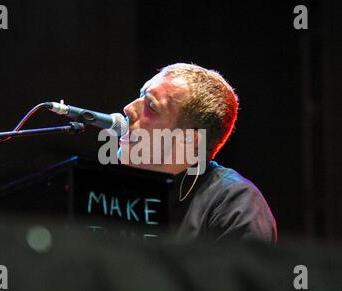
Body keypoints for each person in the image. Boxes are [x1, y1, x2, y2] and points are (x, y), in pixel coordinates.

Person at [118, 63, 277, 243]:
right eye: (140, 96)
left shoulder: (235, 203)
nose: (128, 109)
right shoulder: (111, 189)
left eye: (151, 106)